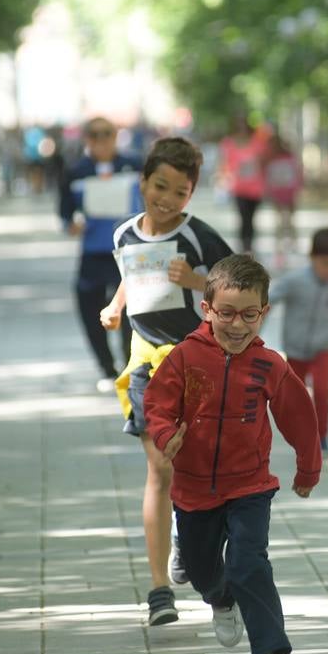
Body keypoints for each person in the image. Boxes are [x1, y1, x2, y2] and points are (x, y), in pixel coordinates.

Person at [144, 255, 321, 654]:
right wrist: (167, 435)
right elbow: (158, 404)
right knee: (204, 570)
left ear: (263, 313)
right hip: (193, 488)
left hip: (249, 487)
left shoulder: (270, 365)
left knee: (249, 563)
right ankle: (220, 599)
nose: (237, 325)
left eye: (249, 314)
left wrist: (307, 468)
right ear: (207, 309)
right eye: (226, 313)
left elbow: (299, 416)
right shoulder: (185, 356)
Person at [99, 137, 234, 627]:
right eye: (160, 186)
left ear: (190, 195)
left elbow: (241, 284)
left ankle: (187, 538)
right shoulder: (123, 236)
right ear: (143, 182)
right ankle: (159, 590)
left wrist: (197, 282)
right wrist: (115, 310)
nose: (166, 198)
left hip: (195, 365)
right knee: (159, 469)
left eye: (179, 192)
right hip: (145, 366)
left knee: (196, 472)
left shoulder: (199, 238)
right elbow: (131, 278)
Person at [59, 117, 144, 389]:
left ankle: (131, 364)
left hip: (129, 250)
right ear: (87, 139)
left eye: (107, 133)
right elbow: (64, 212)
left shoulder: (134, 165)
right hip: (94, 252)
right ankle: (106, 367)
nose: (101, 140)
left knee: (132, 309)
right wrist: (72, 225)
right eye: (94, 134)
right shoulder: (76, 171)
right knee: (89, 307)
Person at [269, 227, 328, 455]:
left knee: (322, 392)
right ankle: (300, 434)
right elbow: (270, 298)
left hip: (322, 350)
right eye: (324, 263)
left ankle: (322, 436)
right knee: (296, 397)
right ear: (312, 258)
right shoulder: (295, 281)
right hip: (295, 350)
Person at [219, 116, 267, 254]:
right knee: (243, 217)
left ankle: (249, 245)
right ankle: (245, 246)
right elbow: (223, 163)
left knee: (251, 218)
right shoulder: (228, 143)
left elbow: (263, 163)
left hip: (256, 188)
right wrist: (224, 177)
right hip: (238, 187)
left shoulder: (257, 143)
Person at [263, 133, 303, 269]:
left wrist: (298, 187)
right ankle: (280, 250)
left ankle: (292, 242)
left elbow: (297, 172)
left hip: (289, 192)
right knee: (280, 221)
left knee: (290, 220)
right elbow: (267, 176)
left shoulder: (289, 156)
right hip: (277, 194)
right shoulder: (269, 159)